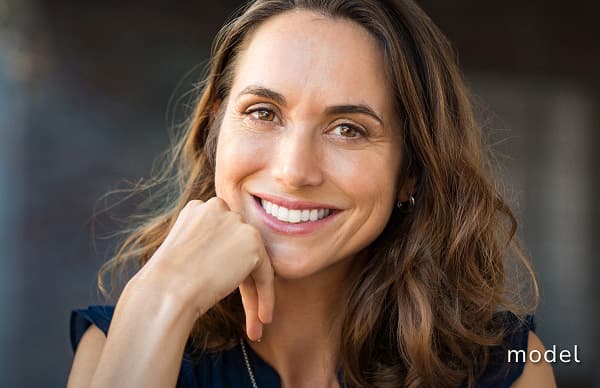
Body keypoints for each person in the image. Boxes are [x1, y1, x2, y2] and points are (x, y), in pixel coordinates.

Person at [67, 0, 557, 387]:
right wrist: (162, 297)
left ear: (411, 170)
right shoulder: (121, 341)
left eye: (348, 129)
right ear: (217, 127)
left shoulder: (511, 366)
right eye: (263, 112)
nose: (294, 171)